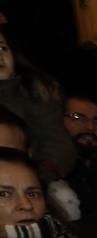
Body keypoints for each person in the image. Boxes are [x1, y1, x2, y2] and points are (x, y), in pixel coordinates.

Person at [0, 29, 76, 183]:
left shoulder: (34, 95)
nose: (0, 56)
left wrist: (37, 176)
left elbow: (58, 144)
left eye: (3, 48)